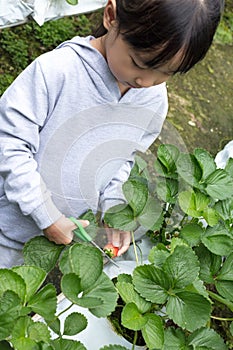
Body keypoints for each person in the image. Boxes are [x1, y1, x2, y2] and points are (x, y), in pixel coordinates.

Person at [0, 0, 224, 268]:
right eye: (138, 63)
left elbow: (121, 159)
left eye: (165, 73)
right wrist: (45, 214)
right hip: (7, 228)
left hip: (56, 237)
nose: (146, 81)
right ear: (111, 16)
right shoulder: (57, 72)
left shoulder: (152, 100)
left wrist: (115, 207)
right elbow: (9, 145)